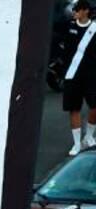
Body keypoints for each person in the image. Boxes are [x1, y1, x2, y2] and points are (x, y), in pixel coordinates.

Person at [62, 0, 96, 155]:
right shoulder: (69, 26)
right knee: (74, 108)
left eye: (77, 10)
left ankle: (88, 136)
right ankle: (76, 144)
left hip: (91, 75)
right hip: (72, 74)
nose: (74, 12)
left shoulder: (95, 28)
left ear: (86, 11)